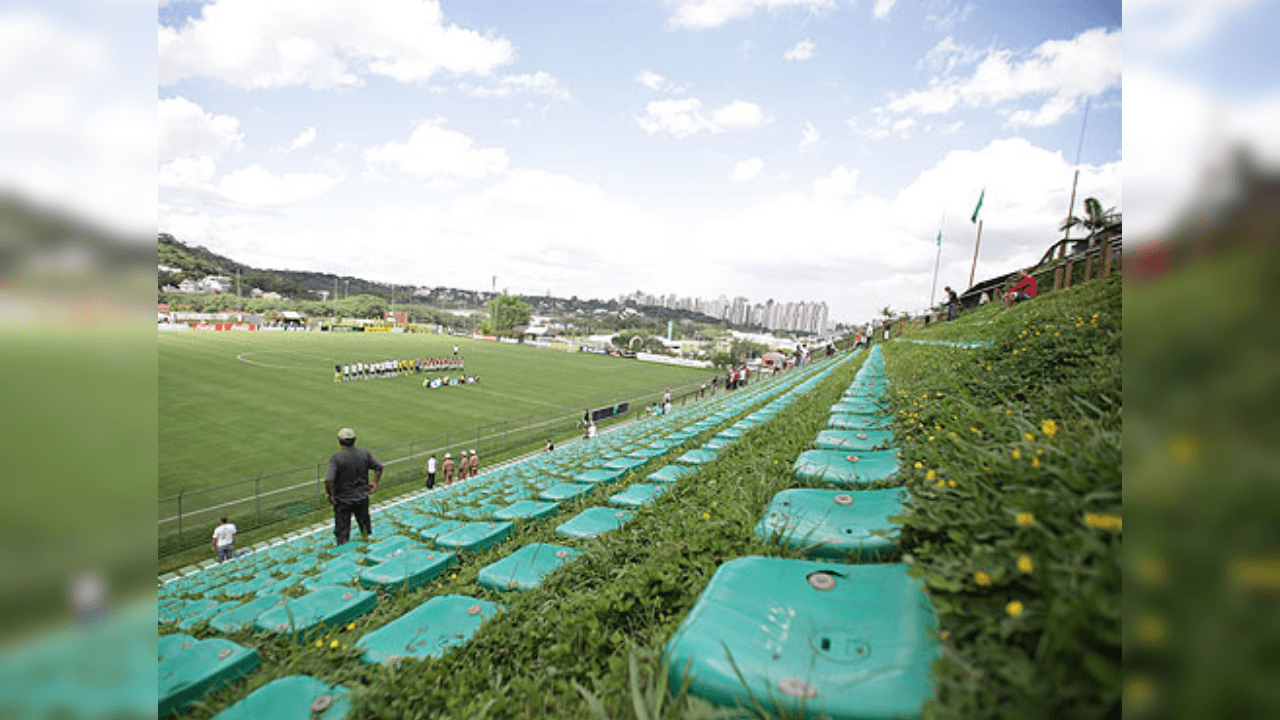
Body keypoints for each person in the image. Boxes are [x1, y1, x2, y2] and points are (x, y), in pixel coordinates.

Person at [324, 427, 382, 545]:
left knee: (342, 533)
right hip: (362, 497)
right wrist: (374, 483)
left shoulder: (336, 458)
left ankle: (344, 554)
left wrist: (330, 495)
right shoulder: (364, 453)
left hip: (343, 500)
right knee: (365, 528)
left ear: (339, 441)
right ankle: (368, 547)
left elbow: (328, 480)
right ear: (354, 439)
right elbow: (379, 468)